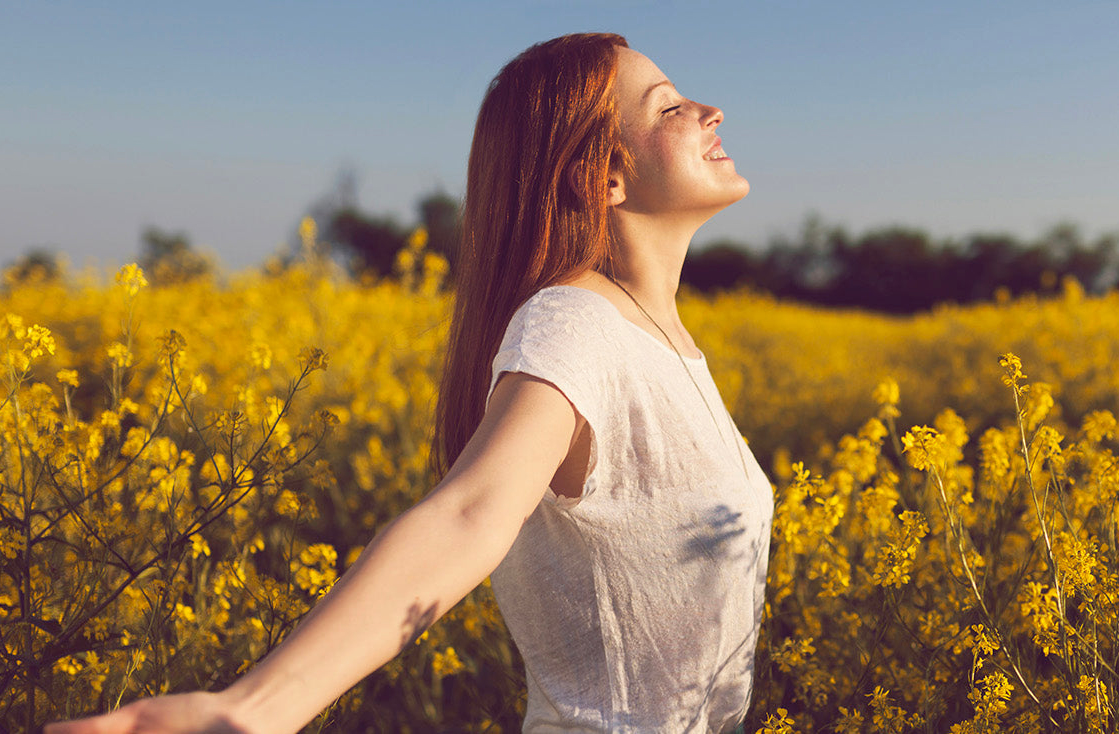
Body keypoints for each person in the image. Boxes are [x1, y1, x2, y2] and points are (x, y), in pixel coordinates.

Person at [46, 32, 771, 734]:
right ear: (602, 174)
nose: (711, 112)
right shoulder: (575, 323)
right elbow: (470, 513)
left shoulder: (661, 338)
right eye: (668, 105)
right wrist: (256, 710)